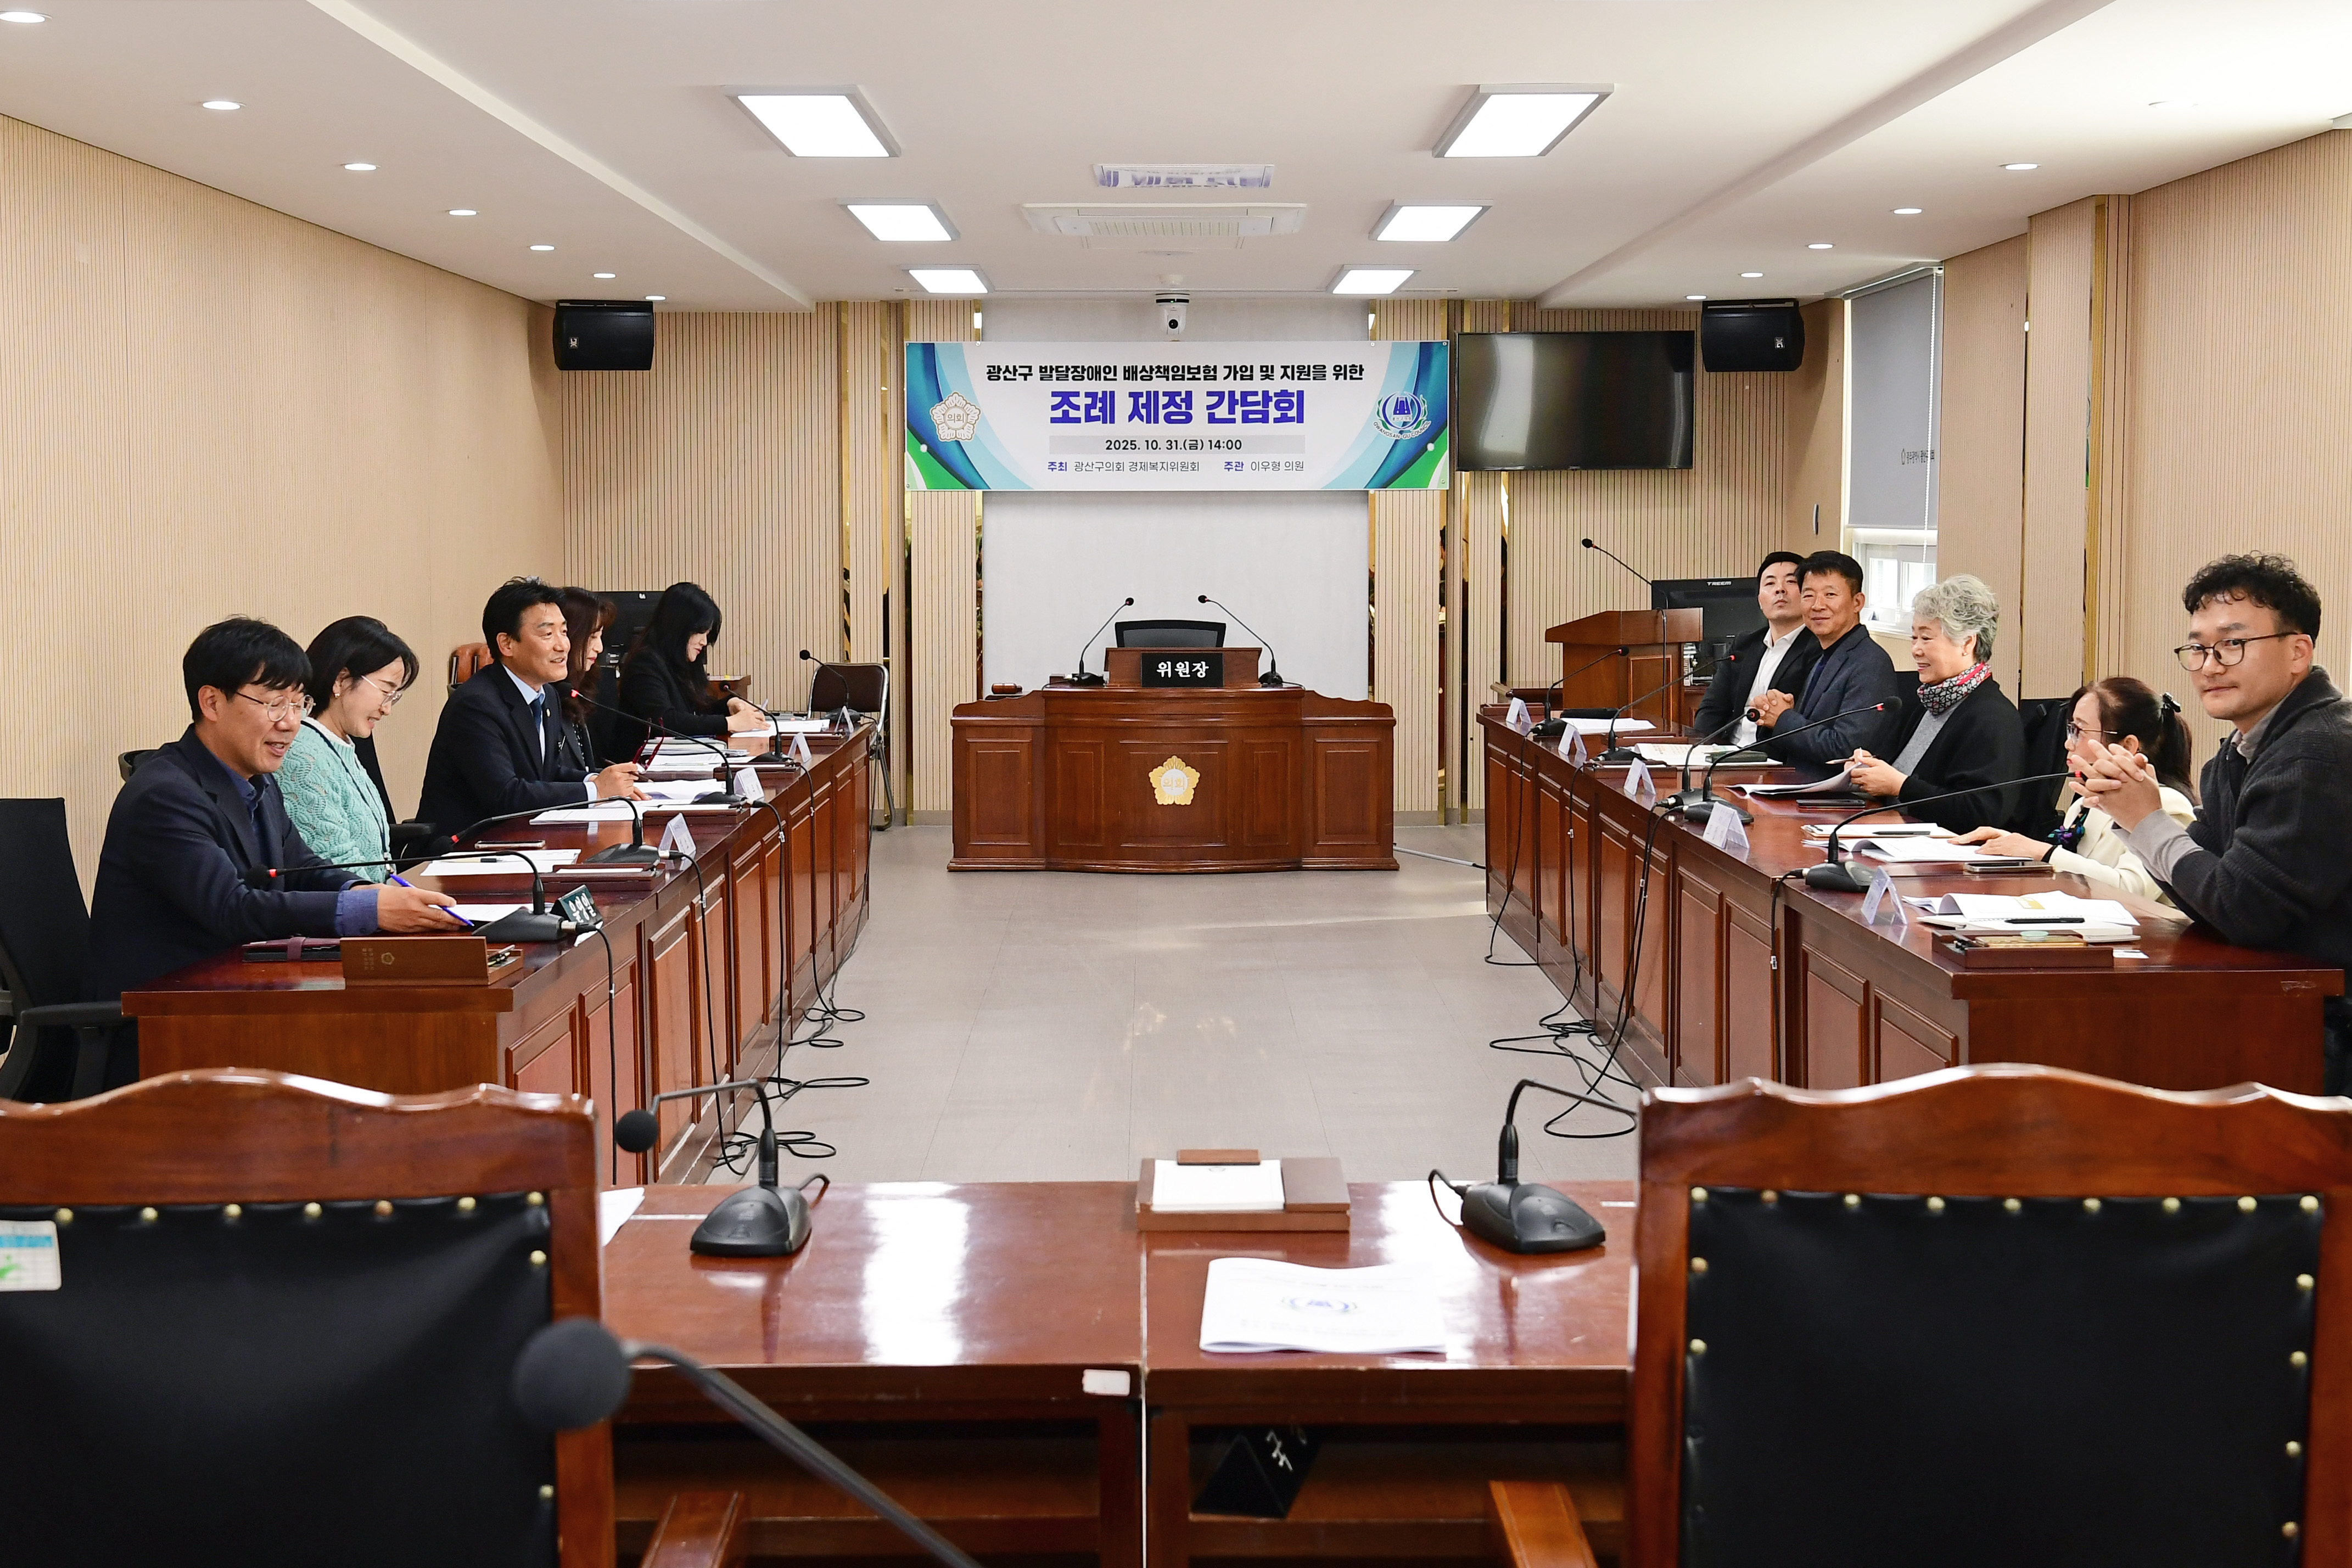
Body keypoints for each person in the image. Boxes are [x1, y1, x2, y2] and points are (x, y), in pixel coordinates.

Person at [82, 618, 459, 1019]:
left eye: (299, 705)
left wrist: (369, 893)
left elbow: (302, 868)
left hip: (238, 992)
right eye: (275, 704)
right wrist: (370, 913)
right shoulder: (165, 795)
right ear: (211, 702)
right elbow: (232, 909)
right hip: (162, 1016)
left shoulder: (258, 780)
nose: (291, 723)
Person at [2079, 553, 2352, 1090]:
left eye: (2233, 644)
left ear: (2299, 652)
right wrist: (2129, 812)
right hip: (2280, 1010)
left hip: (2323, 1035)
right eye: (2199, 647)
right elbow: (2201, 878)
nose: (2209, 665)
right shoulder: (2243, 749)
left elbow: (2241, 908)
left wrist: (2147, 818)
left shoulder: (2317, 751)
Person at [417, 578, 647, 835]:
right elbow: (505, 795)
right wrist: (595, 791)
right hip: (465, 852)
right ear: (507, 644)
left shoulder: (547, 695)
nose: (563, 645)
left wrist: (594, 779)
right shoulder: (477, 705)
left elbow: (545, 773)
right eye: (548, 634)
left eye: (564, 631)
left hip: (523, 841)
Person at [1953, 677, 2196, 904]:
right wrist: (2013, 847)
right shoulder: (2085, 803)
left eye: (2079, 731)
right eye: (2070, 730)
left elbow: (2132, 891)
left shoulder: (2169, 805)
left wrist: (2042, 852)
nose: (2068, 743)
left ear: (2127, 745)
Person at [1845, 575, 2026, 833]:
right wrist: (1867, 769)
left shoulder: (1993, 718)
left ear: (1967, 643)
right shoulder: (1927, 699)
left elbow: (1982, 813)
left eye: (1926, 639)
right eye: (1914, 638)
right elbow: (1898, 770)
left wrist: (1900, 786)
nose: (1916, 650)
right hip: (1892, 835)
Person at [278, 617, 417, 881]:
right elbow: (336, 868)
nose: (387, 709)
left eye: (394, 697)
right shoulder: (302, 756)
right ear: (341, 680)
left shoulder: (341, 747)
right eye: (386, 691)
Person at [1754, 550, 1903, 766]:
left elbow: (1846, 749)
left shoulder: (1870, 663)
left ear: (1857, 602)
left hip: (1835, 796)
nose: (1817, 605)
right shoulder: (1825, 654)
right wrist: (1775, 714)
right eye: (1808, 595)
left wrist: (1784, 718)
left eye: (1830, 595)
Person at [609, 581, 768, 760]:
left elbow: (697, 710)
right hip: (642, 769)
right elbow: (667, 721)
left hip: (676, 761)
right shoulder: (645, 664)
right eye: (701, 632)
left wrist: (729, 704)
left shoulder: (680, 662)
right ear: (679, 627)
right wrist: (728, 723)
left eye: (708, 635)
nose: (704, 642)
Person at [1690, 551, 1822, 750]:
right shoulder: (1745, 645)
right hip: (1725, 754)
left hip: (1773, 761)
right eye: (1770, 584)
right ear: (1760, 601)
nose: (1780, 590)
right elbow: (1712, 709)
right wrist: (1701, 752)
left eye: (1791, 582)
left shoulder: (1818, 649)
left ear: (1808, 595)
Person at [556, 585, 616, 767]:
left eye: (600, 636)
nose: (600, 648)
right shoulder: (547, 694)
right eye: (592, 637)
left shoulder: (584, 685)